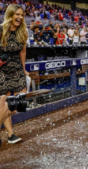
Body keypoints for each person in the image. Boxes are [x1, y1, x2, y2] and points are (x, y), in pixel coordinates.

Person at [0, 4, 28, 144]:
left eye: (22, 15)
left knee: (18, 105)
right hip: (1, 69)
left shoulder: (23, 31)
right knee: (3, 102)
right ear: (10, 15)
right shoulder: (1, 30)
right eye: (17, 14)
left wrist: (23, 69)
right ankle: (11, 135)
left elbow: (22, 52)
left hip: (16, 68)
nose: (20, 17)